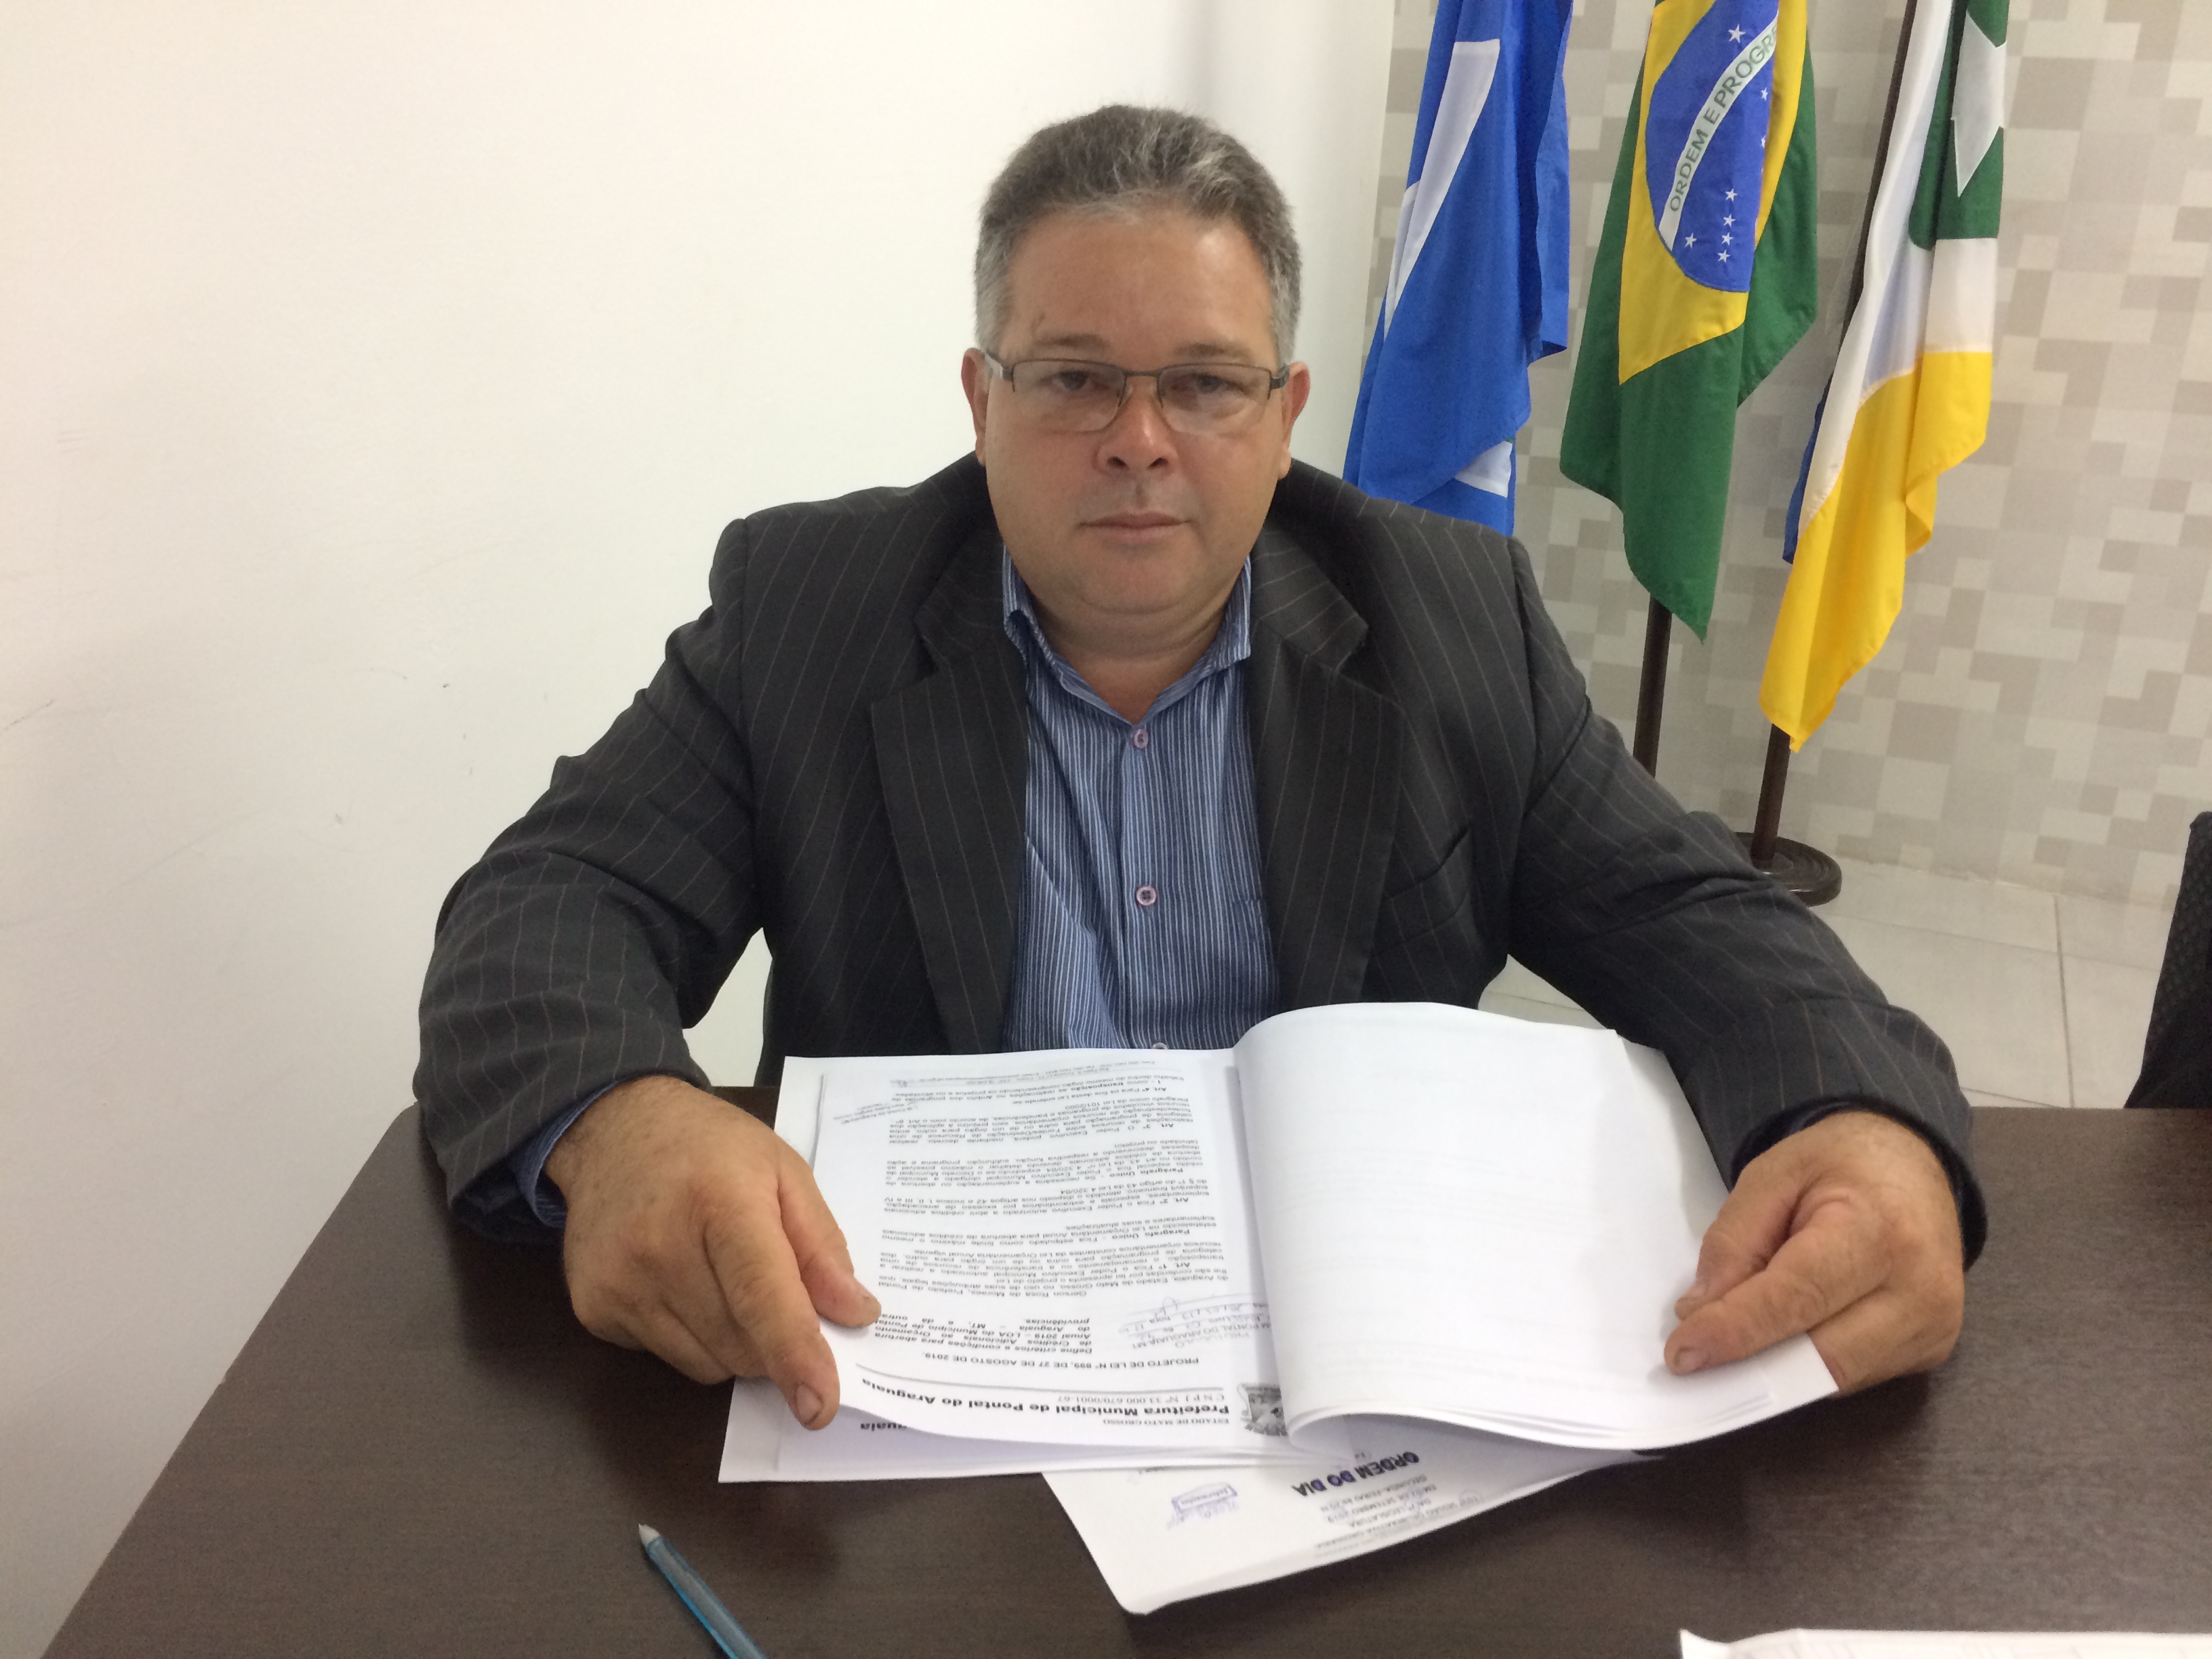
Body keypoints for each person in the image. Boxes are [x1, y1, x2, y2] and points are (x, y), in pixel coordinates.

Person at [416, 104, 1982, 1435]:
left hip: (1355, 1377)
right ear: (982, 401)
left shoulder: (1448, 618)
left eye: (1206, 383)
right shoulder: (809, 610)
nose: (1140, 440)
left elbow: (1689, 914)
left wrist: (1864, 1119)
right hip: (921, 1366)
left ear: (1285, 418)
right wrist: (618, 1118)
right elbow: (550, 905)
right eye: (1073, 376)